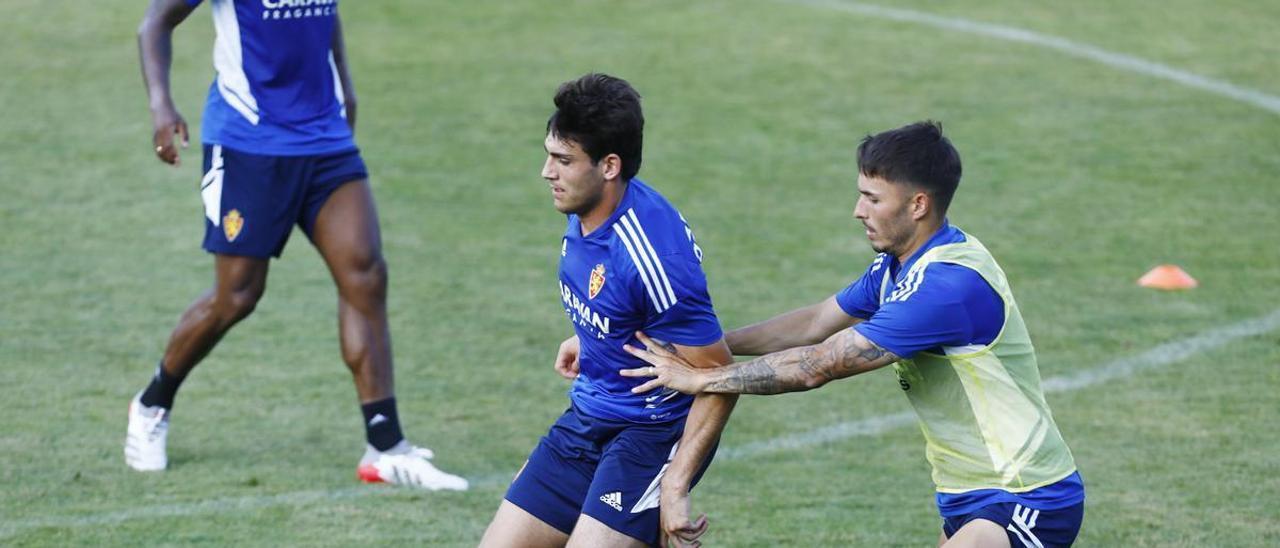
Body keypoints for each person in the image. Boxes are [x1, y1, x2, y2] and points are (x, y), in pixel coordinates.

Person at [623, 121, 1086, 547]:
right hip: (965, 493)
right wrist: (704, 346)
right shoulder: (898, 267)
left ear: (918, 204)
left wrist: (701, 378)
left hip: (1026, 494)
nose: (857, 210)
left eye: (873, 198)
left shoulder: (946, 287)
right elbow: (812, 324)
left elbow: (820, 364)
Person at [125, 0, 467, 491]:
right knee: (237, 296)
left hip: (324, 135)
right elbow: (155, 22)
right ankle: (153, 403)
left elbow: (324, 14)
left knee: (365, 275)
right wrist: (161, 103)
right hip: (247, 141)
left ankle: (385, 447)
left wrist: (346, 85)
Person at [478, 73, 736, 548]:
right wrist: (597, 335)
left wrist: (675, 485)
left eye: (562, 160)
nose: (546, 172)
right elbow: (620, 303)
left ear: (609, 166)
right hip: (589, 414)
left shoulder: (653, 256)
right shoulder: (585, 210)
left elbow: (719, 377)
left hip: (651, 433)